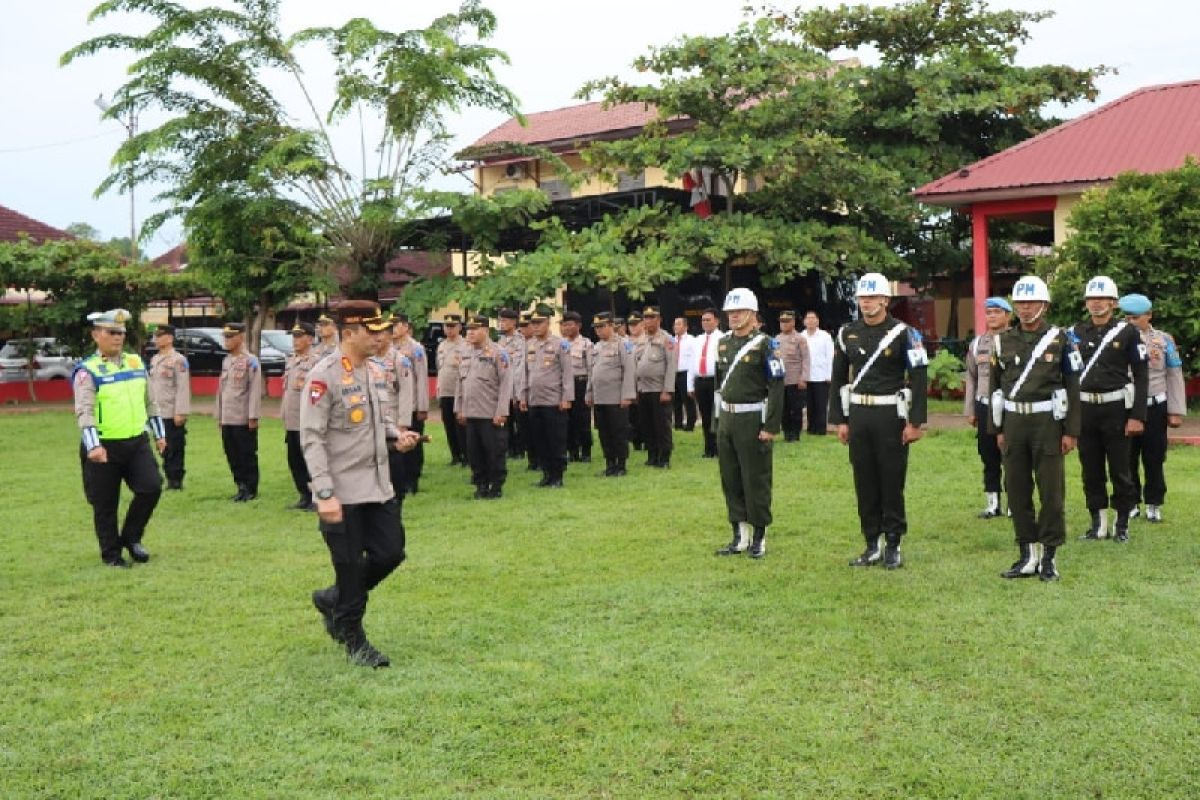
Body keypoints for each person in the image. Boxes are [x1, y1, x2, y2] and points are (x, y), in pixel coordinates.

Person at [302, 301, 422, 668]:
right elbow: (312, 437)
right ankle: (353, 637)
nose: (380, 337)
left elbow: (373, 421)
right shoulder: (324, 376)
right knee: (350, 566)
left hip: (377, 485)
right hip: (342, 491)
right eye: (372, 331)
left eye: (383, 330)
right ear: (349, 333)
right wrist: (324, 493)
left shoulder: (373, 370)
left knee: (391, 553)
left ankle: (333, 598)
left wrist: (395, 436)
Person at [829, 272, 929, 570]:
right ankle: (871, 543)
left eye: (872, 297)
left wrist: (915, 422)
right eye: (862, 297)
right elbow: (837, 378)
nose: (866, 303)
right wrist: (840, 420)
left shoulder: (905, 333)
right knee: (865, 481)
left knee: (891, 480)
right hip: (859, 414)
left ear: (886, 300)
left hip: (890, 415)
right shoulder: (847, 332)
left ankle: (894, 543)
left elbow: (920, 378)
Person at [989, 276, 1082, 581]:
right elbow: (994, 388)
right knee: (1015, 489)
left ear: (1044, 304)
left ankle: (1050, 556)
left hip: (1048, 423)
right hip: (1014, 422)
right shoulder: (1002, 340)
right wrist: (997, 428)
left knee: (1052, 492)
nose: (1026, 308)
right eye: (1021, 303)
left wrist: (1071, 431)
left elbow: (1072, 385)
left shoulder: (1062, 339)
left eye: (1031, 303)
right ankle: (1027, 554)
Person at [73, 308, 166, 567]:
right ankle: (112, 555)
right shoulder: (88, 370)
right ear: (96, 335)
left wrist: (159, 435)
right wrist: (94, 445)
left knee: (151, 487)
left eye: (121, 333)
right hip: (104, 446)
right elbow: (85, 411)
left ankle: (131, 537)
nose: (118, 337)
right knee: (106, 505)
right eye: (112, 332)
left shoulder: (136, 363)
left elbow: (151, 402)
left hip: (136, 442)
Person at [1073, 276, 1148, 542]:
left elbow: (1141, 374)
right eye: (1092, 298)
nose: (1096, 303)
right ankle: (1098, 524)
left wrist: (1138, 416)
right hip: (1085, 409)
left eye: (1102, 299)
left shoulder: (1128, 332)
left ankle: (1122, 523)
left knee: (1121, 469)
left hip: (1116, 408)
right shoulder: (1077, 332)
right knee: (1090, 469)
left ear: (1113, 303)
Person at [712, 289, 784, 559]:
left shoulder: (766, 344)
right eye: (730, 313)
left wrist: (771, 426)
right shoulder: (723, 343)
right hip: (727, 417)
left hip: (753, 417)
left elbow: (777, 386)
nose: (734, 317)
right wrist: (716, 422)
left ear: (753, 315)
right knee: (730, 478)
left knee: (755, 478)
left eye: (739, 312)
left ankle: (759, 536)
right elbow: (719, 386)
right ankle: (739, 535)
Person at [1119, 293, 1186, 523]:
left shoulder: (1163, 340)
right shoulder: (1117, 338)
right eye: (1127, 317)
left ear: (1149, 315)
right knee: (1127, 457)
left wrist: (1175, 410)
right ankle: (1131, 502)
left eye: (1136, 317)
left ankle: (1154, 503)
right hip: (1126, 406)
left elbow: (1174, 374)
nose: (1131, 322)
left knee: (1154, 457)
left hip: (1155, 405)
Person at [963, 297, 1012, 518]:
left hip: (1010, 406)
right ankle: (993, 503)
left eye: (996, 312)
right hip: (984, 405)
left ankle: (1014, 502)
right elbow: (971, 377)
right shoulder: (977, 344)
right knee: (988, 455)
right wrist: (970, 409)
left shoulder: (1015, 341)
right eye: (989, 312)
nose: (992, 316)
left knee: (1012, 454)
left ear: (1007, 315)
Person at [455, 315, 513, 498]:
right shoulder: (465, 352)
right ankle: (480, 485)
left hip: (490, 413)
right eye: (468, 329)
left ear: (486, 330)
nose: (470, 333)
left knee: (494, 452)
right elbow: (460, 383)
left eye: (474, 329)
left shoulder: (498, 352)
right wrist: (459, 408)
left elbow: (506, 383)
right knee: (474, 453)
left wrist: (502, 411)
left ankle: (495, 487)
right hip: (471, 412)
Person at [520, 305, 573, 487]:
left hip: (554, 401)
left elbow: (567, 373)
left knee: (555, 440)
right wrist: (523, 396)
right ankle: (546, 474)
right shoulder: (530, 345)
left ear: (547, 323)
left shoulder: (560, 344)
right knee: (539, 439)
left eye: (539, 323)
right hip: (535, 400)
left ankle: (557, 476)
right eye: (532, 323)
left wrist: (566, 398)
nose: (535, 326)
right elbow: (525, 373)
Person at [370, 313, 415, 505]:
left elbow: (406, 391)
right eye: (374, 334)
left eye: (381, 334)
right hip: (373, 420)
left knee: (395, 460)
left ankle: (398, 493)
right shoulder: (368, 360)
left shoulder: (399, 359)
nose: (377, 338)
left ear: (389, 336)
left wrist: (403, 423)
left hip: (393, 417)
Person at [586, 312, 637, 477]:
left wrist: (627, 395)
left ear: (610, 326)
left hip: (616, 398)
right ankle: (609, 464)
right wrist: (589, 393)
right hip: (600, 397)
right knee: (604, 433)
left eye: (601, 327)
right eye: (596, 328)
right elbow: (592, 373)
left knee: (618, 432)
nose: (598, 331)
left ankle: (621, 465)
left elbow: (629, 371)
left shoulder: (623, 344)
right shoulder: (596, 347)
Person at [217, 322, 262, 501]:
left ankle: (250, 488)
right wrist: (219, 415)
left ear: (241, 337)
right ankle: (240, 486)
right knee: (232, 454)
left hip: (242, 416)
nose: (226, 340)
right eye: (225, 337)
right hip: (228, 416)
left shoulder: (250, 360)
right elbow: (221, 391)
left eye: (230, 337)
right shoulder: (226, 360)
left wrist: (253, 416)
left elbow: (255, 390)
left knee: (246, 454)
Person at [281, 322, 321, 511]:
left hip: (308, 420)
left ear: (310, 339)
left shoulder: (316, 362)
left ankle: (316, 497)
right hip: (292, 421)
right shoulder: (291, 360)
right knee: (295, 460)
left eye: (299, 336)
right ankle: (304, 495)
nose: (295, 340)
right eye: (294, 336)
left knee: (311, 460)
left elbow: (317, 393)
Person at [148, 323, 190, 490]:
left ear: (170, 338)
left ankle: (175, 480)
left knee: (174, 447)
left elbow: (183, 387)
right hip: (157, 412)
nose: (155, 339)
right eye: (155, 336)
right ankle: (168, 476)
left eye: (159, 336)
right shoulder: (155, 359)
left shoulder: (178, 360)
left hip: (171, 411)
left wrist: (181, 411)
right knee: (162, 447)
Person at [634, 306, 677, 468]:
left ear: (659, 320)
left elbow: (671, 365)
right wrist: (635, 389)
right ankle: (652, 456)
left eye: (652, 318)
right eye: (645, 318)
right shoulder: (640, 339)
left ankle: (664, 457)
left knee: (662, 426)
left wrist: (667, 390)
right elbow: (635, 363)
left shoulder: (667, 339)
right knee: (647, 425)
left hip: (659, 389)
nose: (648, 321)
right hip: (643, 388)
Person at [392, 313, 429, 494]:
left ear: (406, 327)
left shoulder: (416, 348)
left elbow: (422, 378)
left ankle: (412, 480)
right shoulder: (390, 348)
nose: (393, 328)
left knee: (413, 444)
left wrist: (422, 406)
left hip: (413, 404)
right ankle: (400, 478)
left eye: (396, 324)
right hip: (395, 405)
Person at [688, 307, 725, 458]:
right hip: (700, 381)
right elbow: (692, 364)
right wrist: (690, 385)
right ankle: (708, 448)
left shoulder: (723, 339)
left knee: (717, 416)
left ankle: (718, 447)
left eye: (708, 320)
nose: (705, 323)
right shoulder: (698, 340)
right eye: (703, 320)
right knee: (705, 415)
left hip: (715, 381)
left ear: (716, 321)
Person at [436, 314, 471, 467]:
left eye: (452, 326)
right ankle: (455, 455)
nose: (449, 329)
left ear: (459, 327)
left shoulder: (465, 345)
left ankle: (467, 456)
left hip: (459, 391)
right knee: (448, 424)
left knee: (461, 426)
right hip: (445, 390)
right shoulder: (441, 345)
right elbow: (440, 369)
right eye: (447, 326)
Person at [561, 310, 594, 462]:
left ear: (578, 326)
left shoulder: (586, 344)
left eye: (570, 324)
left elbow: (590, 368)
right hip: (565, 385)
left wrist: (589, 390)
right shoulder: (560, 344)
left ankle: (586, 451)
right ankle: (572, 451)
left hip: (580, 383)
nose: (567, 328)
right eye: (564, 324)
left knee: (583, 420)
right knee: (567, 420)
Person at [775, 310, 810, 442]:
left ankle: (795, 434)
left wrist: (803, 378)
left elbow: (806, 359)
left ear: (793, 322)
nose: (784, 324)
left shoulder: (800, 339)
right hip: (781, 380)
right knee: (783, 408)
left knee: (795, 408)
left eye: (787, 322)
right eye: (782, 322)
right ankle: (786, 432)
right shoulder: (776, 339)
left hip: (795, 379)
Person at [496, 308, 526, 459]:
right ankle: (509, 448)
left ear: (514, 322)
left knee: (519, 421)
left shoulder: (520, 341)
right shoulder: (499, 342)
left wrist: (518, 391)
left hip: (516, 387)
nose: (502, 324)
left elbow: (520, 368)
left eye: (505, 321)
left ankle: (520, 450)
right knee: (505, 421)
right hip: (503, 388)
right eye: (500, 321)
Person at [801, 311, 834, 435]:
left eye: (813, 318)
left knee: (821, 404)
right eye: (808, 318)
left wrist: (829, 375)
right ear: (804, 321)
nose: (810, 321)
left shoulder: (825, 336)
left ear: (817, 321)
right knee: (809, 405)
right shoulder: (801, 336)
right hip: (807, 376)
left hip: (821, 376)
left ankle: (820, 429)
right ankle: (810, 428)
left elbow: (830, 356)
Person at [672, 316, 698, 431]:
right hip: (674, 373)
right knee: (675, 400)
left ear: (685, 326)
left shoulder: (692, 340)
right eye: (675, 324)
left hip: (686, 373)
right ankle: (678, 424)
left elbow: (695, 358)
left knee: (688, 400)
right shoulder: (672, 340)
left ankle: (690, 424)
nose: (675, 326)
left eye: (678, 324)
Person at [625, 311, 645, 451]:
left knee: (644, 414)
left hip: (643, 383)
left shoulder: (647, 340)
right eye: (630, 325)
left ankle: (647, 440)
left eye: (635, 324)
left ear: (642, 324)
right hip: (628, 384)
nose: (632, 327)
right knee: (631, 416)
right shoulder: (625, 342)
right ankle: (635, 441)